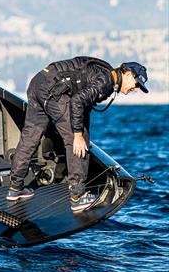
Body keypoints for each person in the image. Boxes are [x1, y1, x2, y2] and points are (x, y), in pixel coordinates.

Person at [8, 57, 148, 211]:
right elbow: (77, 101)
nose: (135, 89)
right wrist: (78, 134)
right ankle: (78, 196)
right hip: (54, 91)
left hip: (39, 82)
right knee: (77, 142)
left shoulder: (105, 72)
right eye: (136, 85)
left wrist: (80, 129)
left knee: (30, 137)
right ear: (127, 74)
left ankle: (15, 187)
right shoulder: (105, 81)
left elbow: (83, 102)